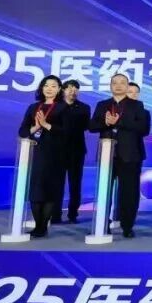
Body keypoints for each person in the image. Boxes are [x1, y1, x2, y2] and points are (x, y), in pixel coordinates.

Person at [89, 73, 148, 238]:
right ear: (110, 86)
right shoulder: (102, 105)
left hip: (130, 155)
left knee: (129, 192)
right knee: (104, 191)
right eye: (115, 82)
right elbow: (92, 126)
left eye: (122, 82)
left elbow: (143, 128)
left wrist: (119, 122)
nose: (118, 85)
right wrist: (106, 122)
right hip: (107, 155)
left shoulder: (137, 105)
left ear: (127, 86)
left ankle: (127, 226)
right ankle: (102, 223)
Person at [18, 75, 68, 238]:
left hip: (55, 153)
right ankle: (37, 224)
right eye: (46, 85)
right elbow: (23, 131)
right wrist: (36, 127)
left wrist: (46, 125)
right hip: (35, 153)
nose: (49, 89)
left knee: (49, 189)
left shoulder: (63, 108)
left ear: (59, 89)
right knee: (35, 190)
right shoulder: (33, 107)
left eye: (53, 86)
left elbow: (67, 132)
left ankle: (42, 226)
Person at [59, 79, 90, 224]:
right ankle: (55, 213)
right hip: (57, 150)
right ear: (63, 90)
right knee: (56, 183)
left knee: (75, 183)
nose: (73, 91)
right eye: (70, 88)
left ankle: (73, 214)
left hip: (77, 150)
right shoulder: (56, 106)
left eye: (76, 88)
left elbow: (86, 126)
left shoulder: (84, 108)